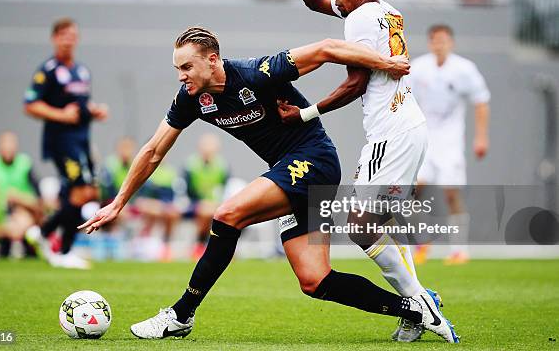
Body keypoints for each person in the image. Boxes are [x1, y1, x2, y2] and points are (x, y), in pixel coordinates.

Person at [79, 26, 454, 342]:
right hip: (292, 173)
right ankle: (416, 308)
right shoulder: (193, 98)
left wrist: (385, 62)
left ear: (213, 60)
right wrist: (118, 202)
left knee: (228, 214)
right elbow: (153, 150)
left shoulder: (256, 73)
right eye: (178, 68)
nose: (181, 75)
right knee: (315, 281)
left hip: (316, 160)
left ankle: (181, 314)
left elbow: (325, 49)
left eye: (186, 66)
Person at [281, 0, 458, 342]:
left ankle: (418, 304)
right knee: (379, 225)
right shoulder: (383, 11)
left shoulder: (360, 18)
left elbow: (356, 82)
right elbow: (316, 2)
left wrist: (305, 113)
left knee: (361, 227)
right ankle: (415, 312)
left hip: (391, 133)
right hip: (404, 128)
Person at [24, 18, 109, 269]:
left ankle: (42, 232)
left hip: (82, 139)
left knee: (91, 193)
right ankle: (63, 251)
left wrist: (93, 111)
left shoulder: (81, 71)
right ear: (54, 39)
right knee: (80, 192)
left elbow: (79, 106)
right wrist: (60, 115)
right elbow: (30, 104)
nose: (68, 39)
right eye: (63, 35)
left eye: (72, 35)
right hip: (62, 141)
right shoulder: (47, 71)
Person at [409, 24, 490, 265]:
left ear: (451, 43)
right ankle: (422, 243)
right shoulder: (419, 68)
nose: (439, 45)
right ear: (430, 43)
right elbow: (406, 102)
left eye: (443, 40)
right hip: (424, 139)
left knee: (451, 192)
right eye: (435, 40)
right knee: (413, 190)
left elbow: (481, 101)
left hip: (450, 141)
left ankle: (459, 249)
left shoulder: (464, 69)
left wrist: (481, 137)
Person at [101, 136, 180, 261]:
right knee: (120, 212)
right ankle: (118, 243)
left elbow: (144, 190)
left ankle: (145, 243)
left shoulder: (138, 165)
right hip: (112, 204)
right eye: (124, 148)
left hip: (133, 204)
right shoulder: (110, 166)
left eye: (129, 148)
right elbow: (105, 191)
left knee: (155, 209)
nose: (126, 152)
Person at [184, 133, 229, 259]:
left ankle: (221, 248)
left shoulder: (222, 166)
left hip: (216, 204)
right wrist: (202, 201)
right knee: (205, 211)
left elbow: (224, 189)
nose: (208, 149)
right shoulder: (191, 165)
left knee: (224, 213)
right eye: (206, 146)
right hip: (194, 204)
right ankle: (200, 244)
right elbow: (188, 191)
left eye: (211, 146)